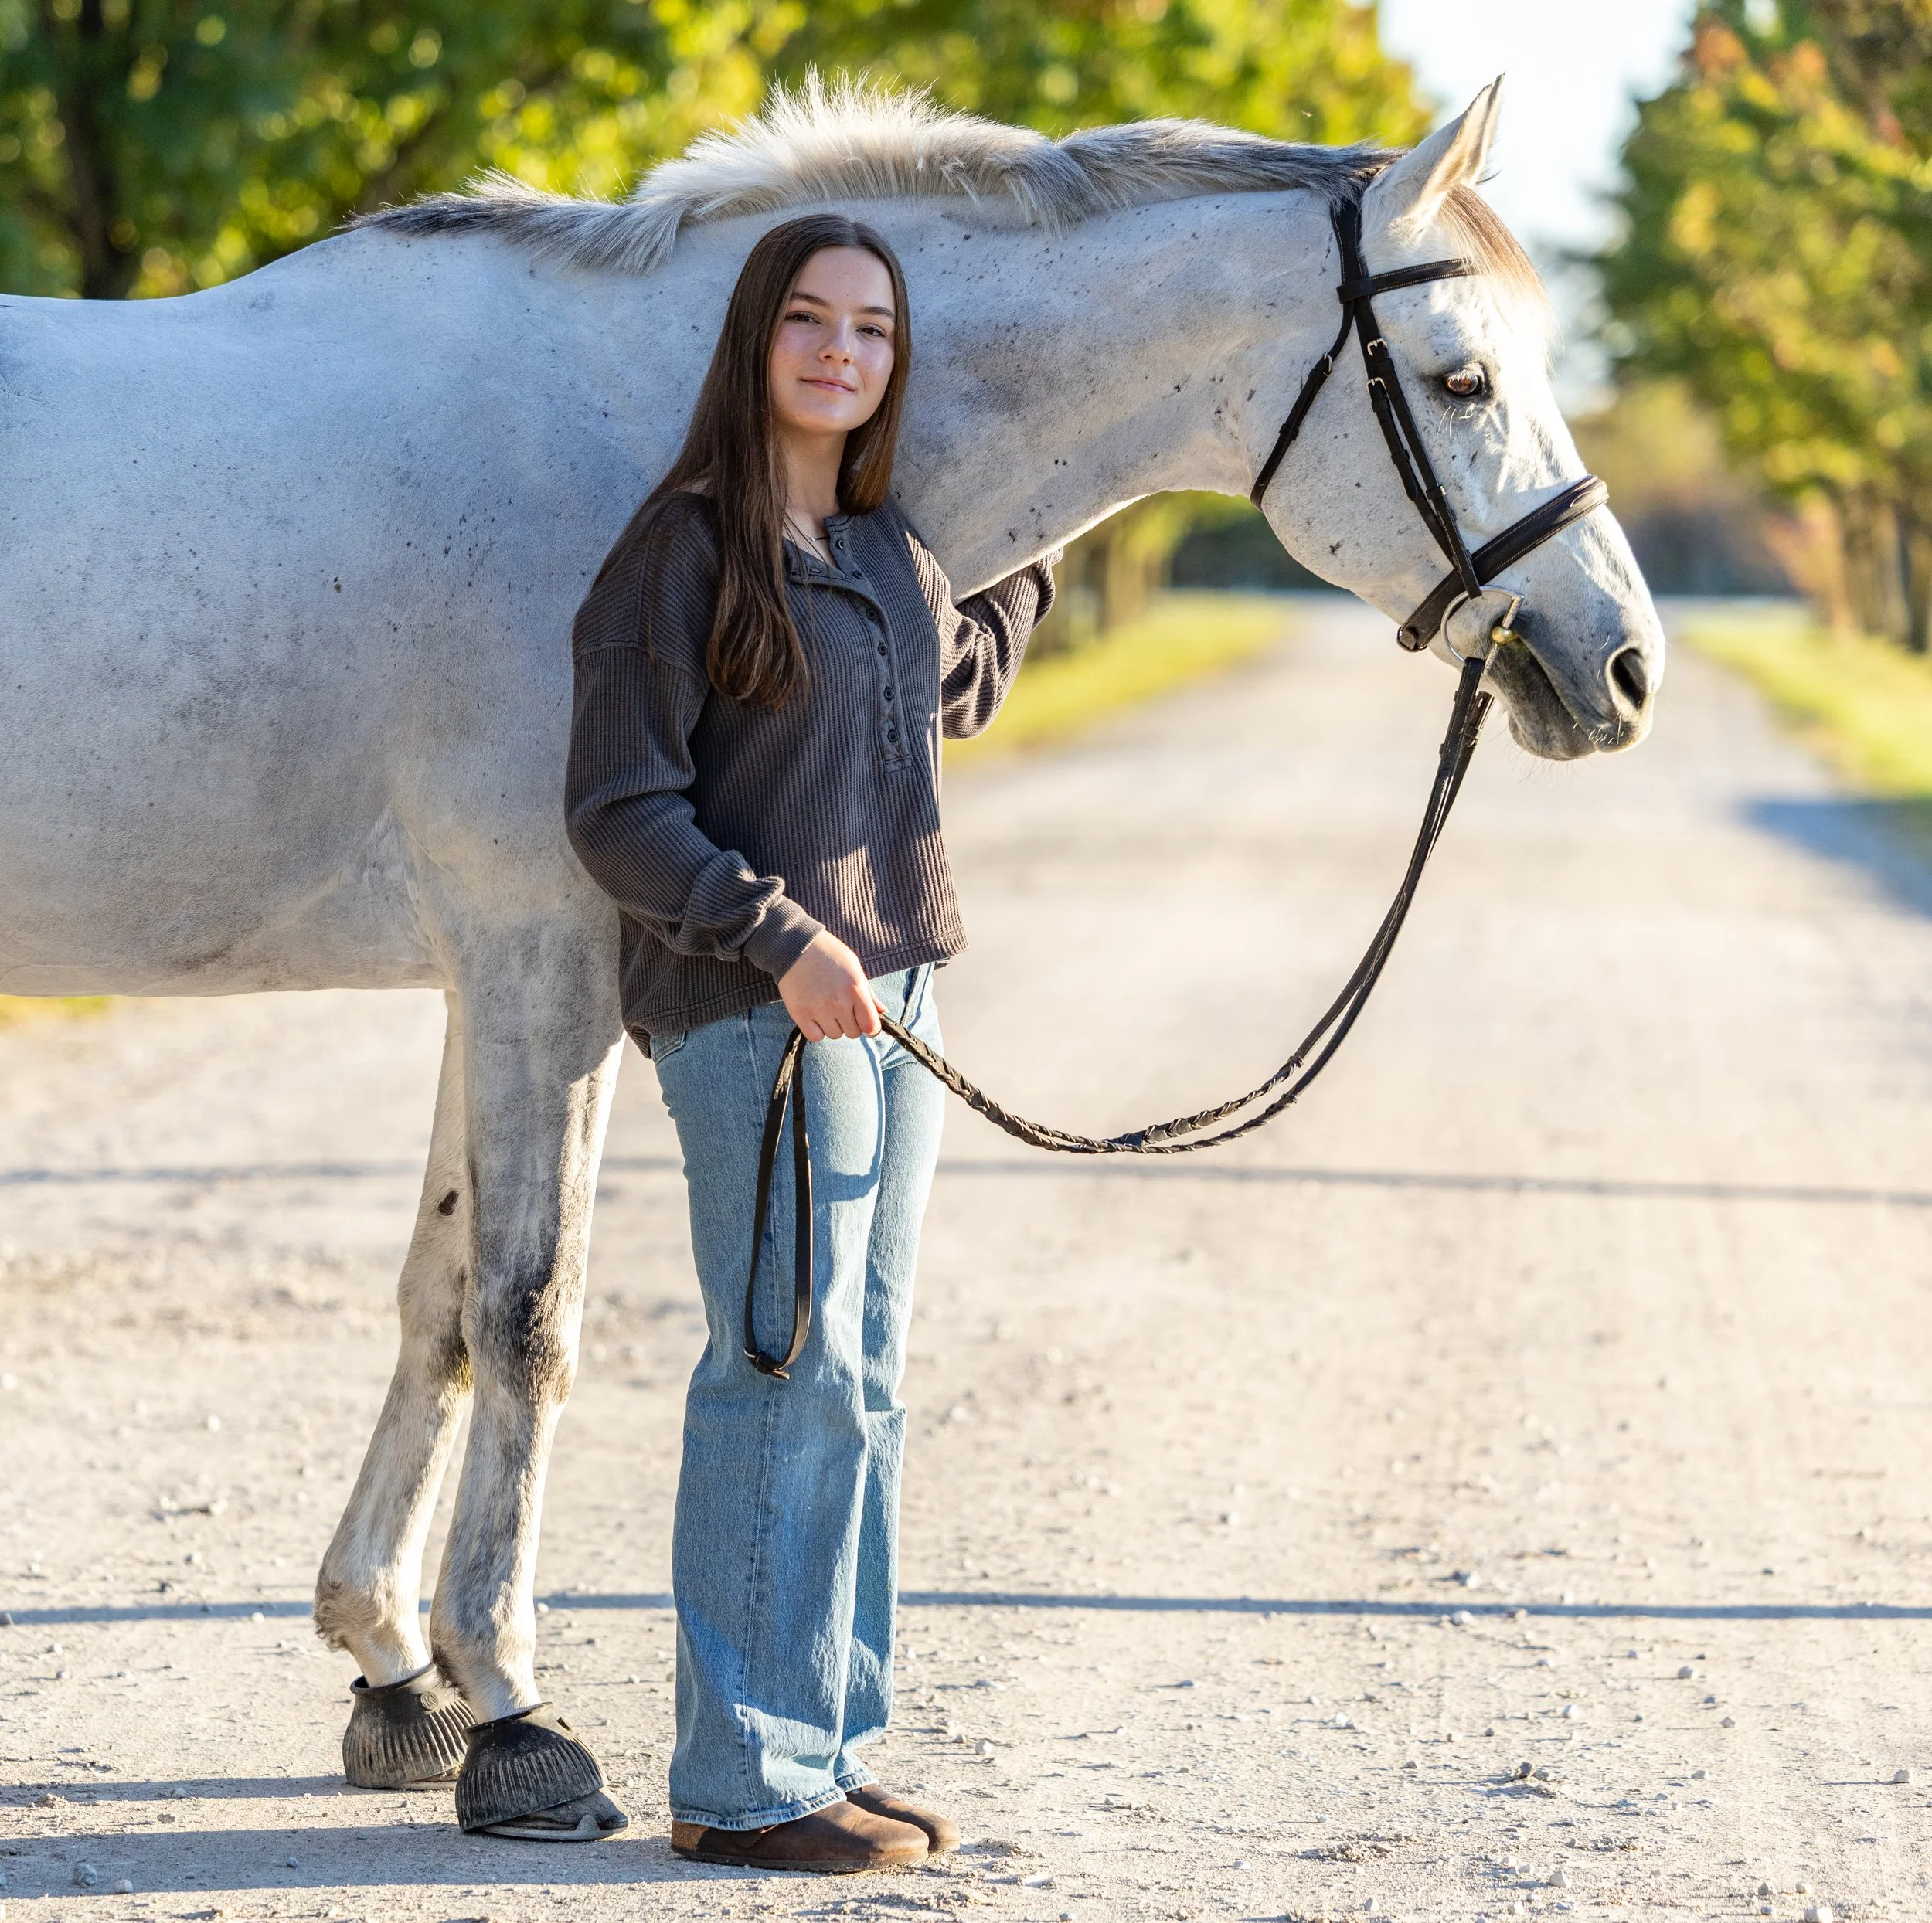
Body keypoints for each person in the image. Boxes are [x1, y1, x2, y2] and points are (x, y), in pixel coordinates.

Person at [565, 212, 1057, 1874]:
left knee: (863, 1374)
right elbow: (616, 808)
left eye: (871, 329)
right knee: (782, 1370)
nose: (841, 350)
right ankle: (741, 1783)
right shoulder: (681, 551)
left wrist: (1054, 525)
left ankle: (827, 1742)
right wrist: (780, 937)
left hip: (899, 999)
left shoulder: (883, 545)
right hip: (760, 1011)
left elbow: (953, 687)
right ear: (755, 339)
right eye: (809, 319)